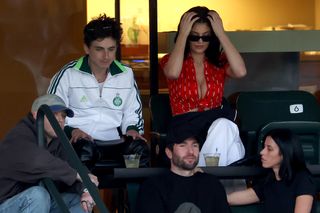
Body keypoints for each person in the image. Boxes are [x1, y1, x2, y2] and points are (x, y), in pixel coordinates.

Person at [47, 14, 149, 168]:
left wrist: (132, 130)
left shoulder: (126, 74)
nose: (106, 56)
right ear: (86, 48)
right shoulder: (68, 74)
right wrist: (71, 131)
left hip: (115, 142)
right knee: (83, 151)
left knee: (140, 150)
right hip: (80, 142)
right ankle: (85, 191)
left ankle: (134, 192)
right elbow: (52, 114)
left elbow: (132, 112)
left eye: (111, 49)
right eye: (99, 49)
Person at [159, 6, 247, 167]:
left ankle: (204, 181)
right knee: (227, 130)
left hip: (214, 124)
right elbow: (172, 73)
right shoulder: (172, 60)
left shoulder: (218, 62)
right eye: (194, 36)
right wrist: (183, 34)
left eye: (206, 37)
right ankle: (226, 187)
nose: (200, 41)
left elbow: (240, 71)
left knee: (224, 126)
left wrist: (221, 33)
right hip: (184, 127)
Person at [0, 94, 99, 213]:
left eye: (63, 116)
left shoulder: (57, 141)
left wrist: (86, 190)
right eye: (54, 114)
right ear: (37, 115)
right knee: (38, 195)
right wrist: (77, 175)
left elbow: (73, 166)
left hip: (40, 204)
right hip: (7, 204)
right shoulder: (19, 135)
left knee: (79, 200)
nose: (60, 119)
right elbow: (38, 161)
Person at [136, 126, 231, 213]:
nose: (190, 151)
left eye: (195, 145)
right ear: (169, 153)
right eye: (183, 145)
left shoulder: (212, 184)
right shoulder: (153, 186)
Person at [227, 129, 317, 212]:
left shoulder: (303, 179)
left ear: (285, 153)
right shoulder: (269, 181)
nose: (262, 152)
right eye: (264, 147)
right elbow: (233, 199)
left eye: (269, 149)